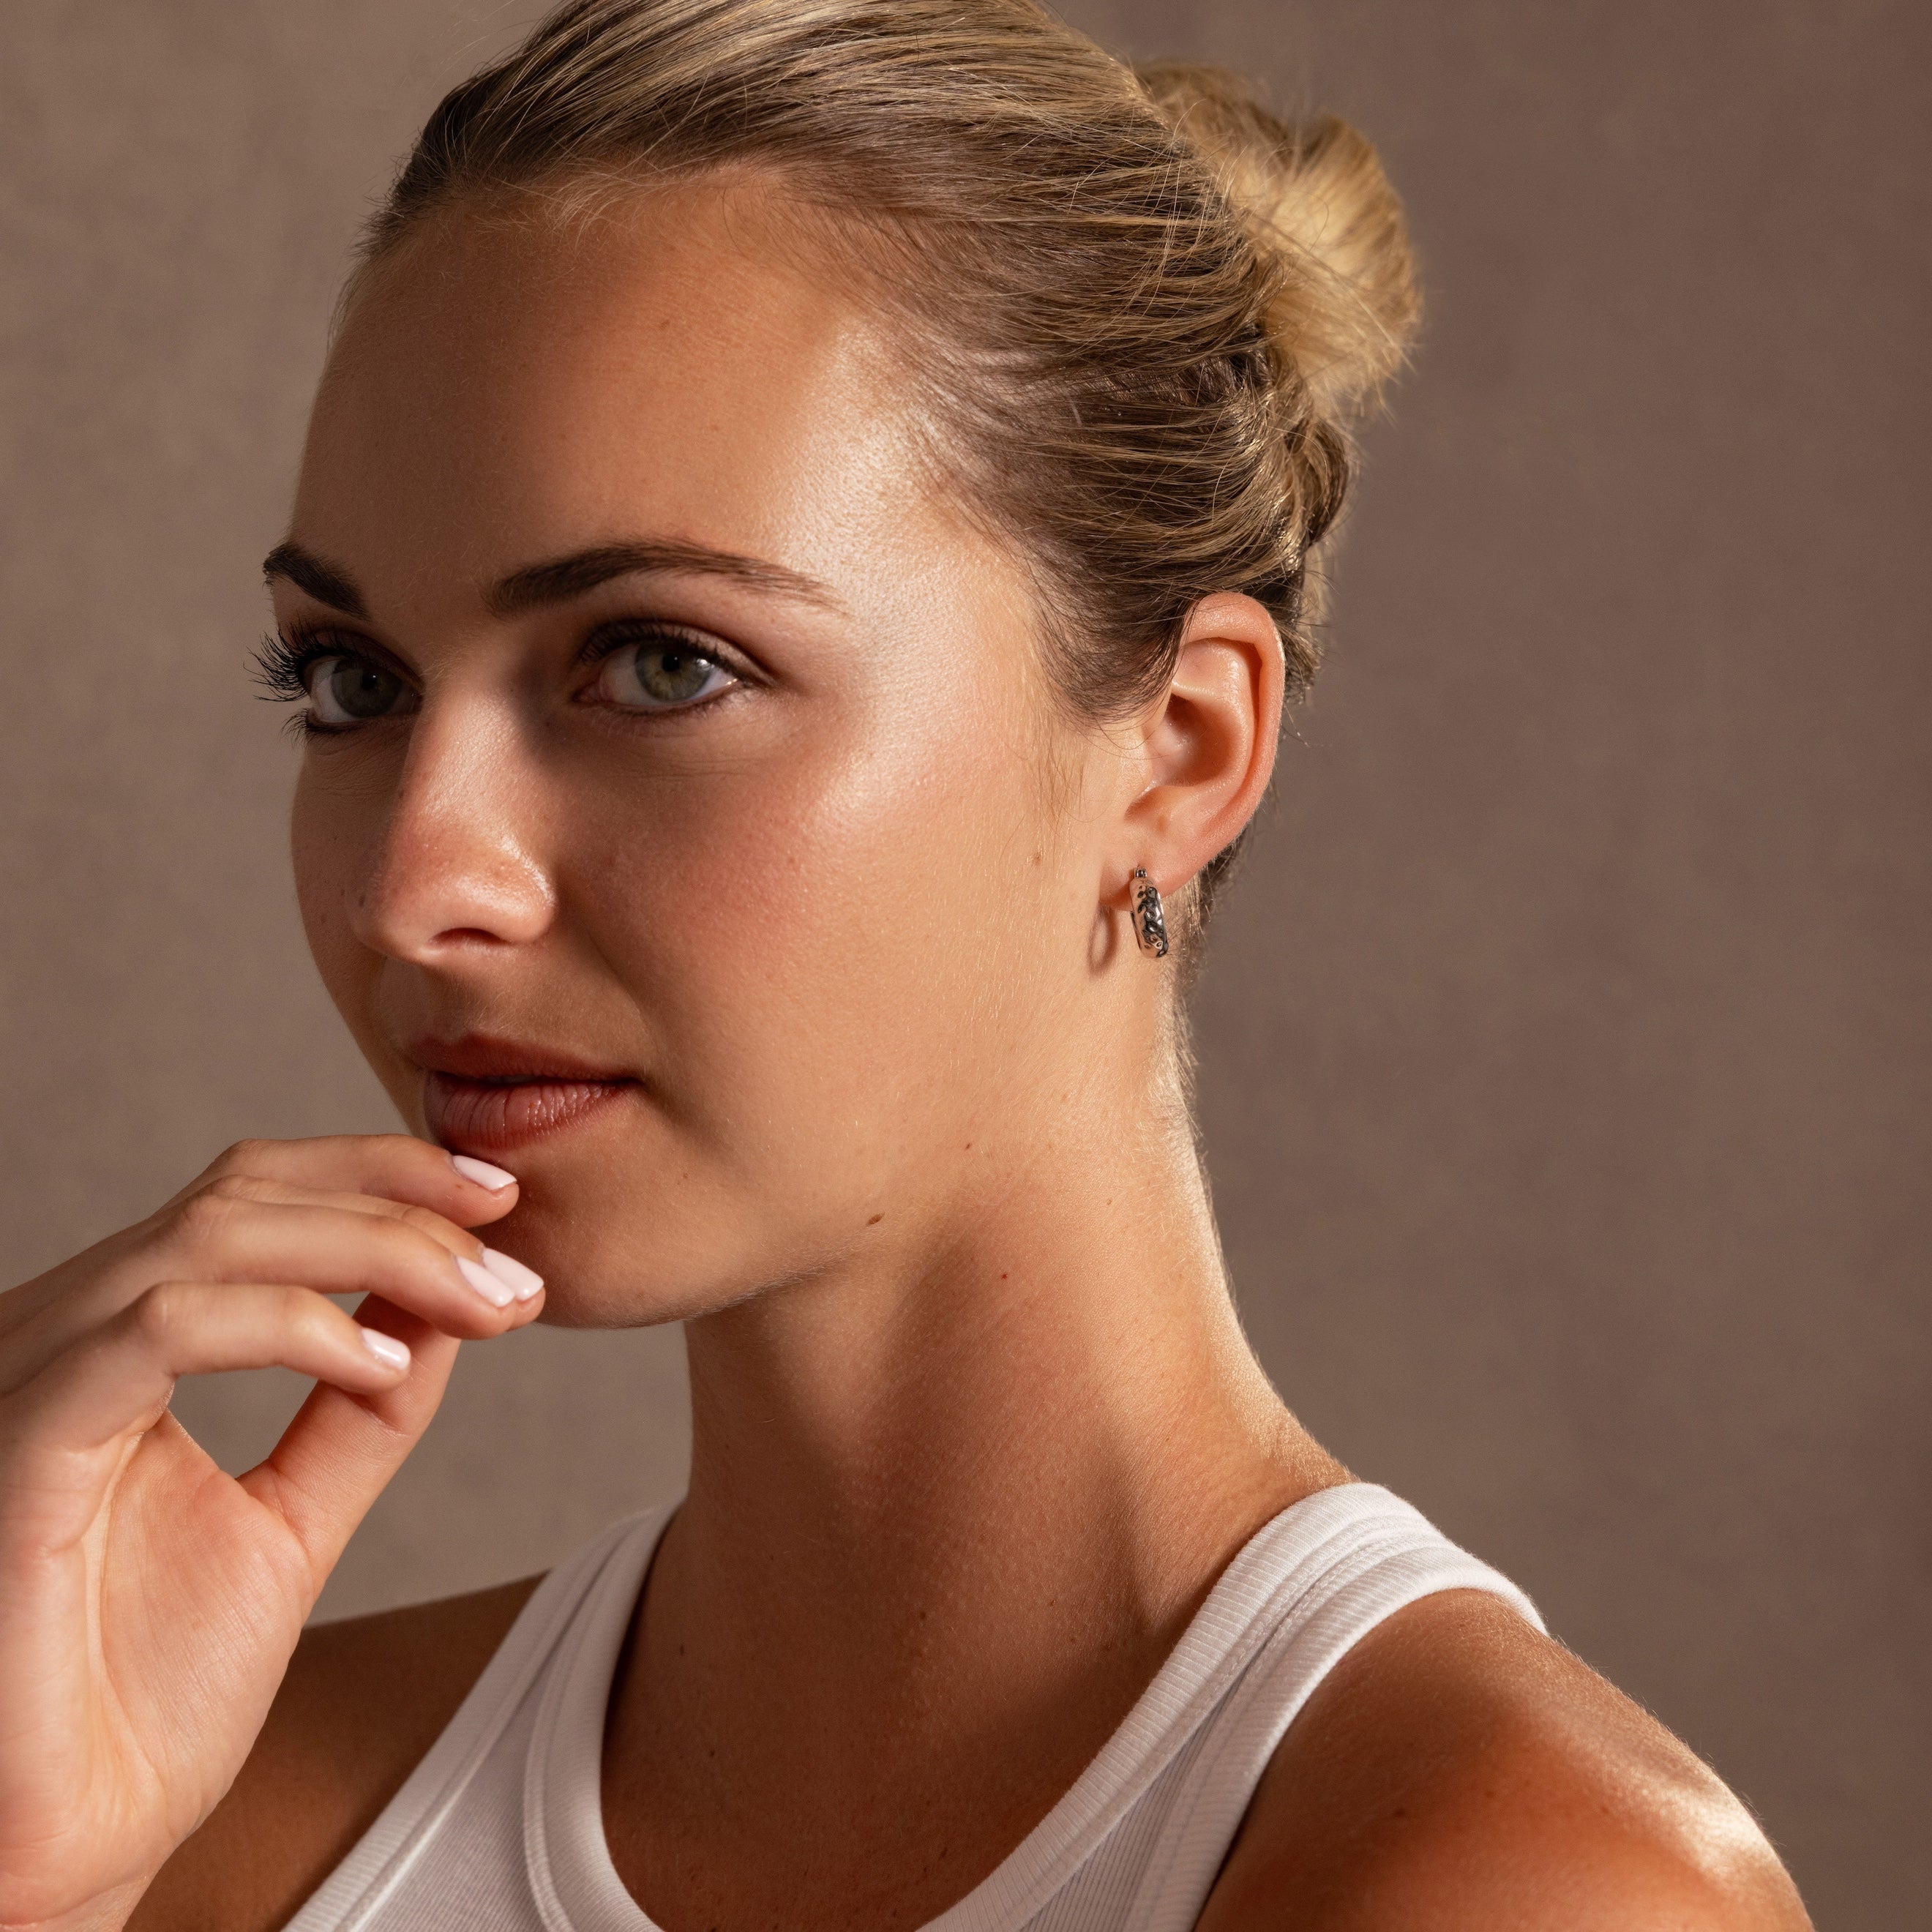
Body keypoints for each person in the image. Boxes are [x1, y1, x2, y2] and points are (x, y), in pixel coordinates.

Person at [0, 2, 1813, 1927]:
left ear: (1180, 746)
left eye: (661, 662)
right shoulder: (194, 1819)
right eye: (353, 684)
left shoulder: (1511, 1887)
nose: (413, 883)